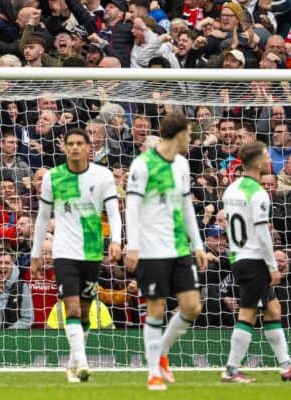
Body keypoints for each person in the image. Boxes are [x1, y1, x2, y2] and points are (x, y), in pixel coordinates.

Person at [30, 128, 122, 383]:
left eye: (80, 143)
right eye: (70, 144)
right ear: (64, 147)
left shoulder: (102, 175)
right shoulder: (53, 177)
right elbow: (43, 217)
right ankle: (82, 363)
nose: (75, 148)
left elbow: (113, 212)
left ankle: (72, 363)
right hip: (64, 251)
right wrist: (36, 253)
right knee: (70, 305)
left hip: (92, 251)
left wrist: (116, 241)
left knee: (84, 310)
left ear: (88, 147)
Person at [124, 112, 207, 391]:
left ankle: (161, 353)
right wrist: (132, 244)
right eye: (189, 133)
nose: (191, 139)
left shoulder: (182, 165)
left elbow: (186, 207)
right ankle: (153, 374)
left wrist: (198, 245)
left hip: (179, 247)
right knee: (156, 309)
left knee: (193, 307)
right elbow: (132, 207)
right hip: (150, 249)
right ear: (181, 134)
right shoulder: (143, 164)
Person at [221, 141, 291, 383]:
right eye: (266, 156)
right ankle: (231, 370)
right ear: (259, 162)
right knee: (248, 313)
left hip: (238, 257)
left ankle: (287, 365)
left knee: (273, 309)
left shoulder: (231, 190)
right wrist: (272, 266)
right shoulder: (259, 193)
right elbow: (262, 234)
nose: (269, 160)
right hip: (254, 260)